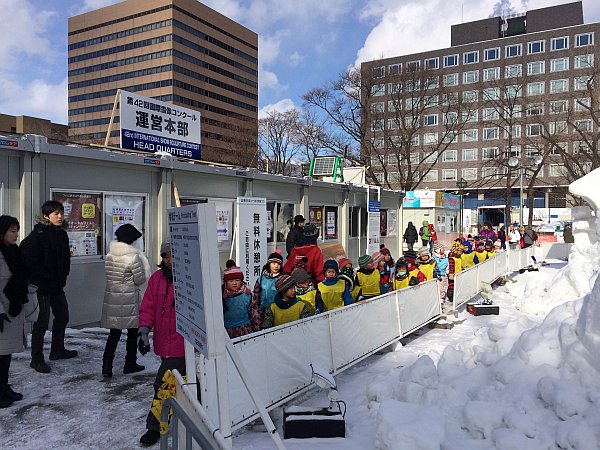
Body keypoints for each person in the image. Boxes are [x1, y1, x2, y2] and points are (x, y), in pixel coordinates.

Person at [137, 241, 185, 447]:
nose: (169, 260)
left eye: (173, 255)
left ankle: (154, 427)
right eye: (166, 256)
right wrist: (144, 332)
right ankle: (203, 418)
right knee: (185, 385)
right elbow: (148, 307)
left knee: (164, 385)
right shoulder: (157, 279)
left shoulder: (190, 278)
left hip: (184, 343)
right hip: (164, 343)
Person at [20, 200, 77, 373]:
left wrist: (63, 276)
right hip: (42, 288)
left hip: (57, 286)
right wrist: (43, 280)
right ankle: (36, 359)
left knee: (62, 316)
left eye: (61, 213)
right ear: (46, 216)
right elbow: (30, 262)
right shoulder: (37, 235)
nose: (60, 216)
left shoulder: (61, 234)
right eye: (55, 214)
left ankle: (57, 350)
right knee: (42, 323)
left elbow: (66, 258)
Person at [101, 224, 150, 378]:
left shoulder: (110, 255)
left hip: (113, 297)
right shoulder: (133, 257)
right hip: (129, 298)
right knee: (132, 331)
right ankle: (130, 363)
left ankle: (106, 366)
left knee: (114, 333)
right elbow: (140, 279)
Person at [0, 216, 38, 407]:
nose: (16, 234)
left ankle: (4, 386)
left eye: (17, 230)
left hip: (13, 308)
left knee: (6, 353)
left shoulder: (13, 251)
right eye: (12, 231)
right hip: (2, 311)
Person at [222, 265, 260, 338]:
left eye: (237, 280)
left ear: (241, 280)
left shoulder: (247, 294)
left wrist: (257, 329)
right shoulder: (222, 296)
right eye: (231, 281)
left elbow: (254, 313)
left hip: (245, 329)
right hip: (227, 331)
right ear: (226, 282)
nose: (234, 283)